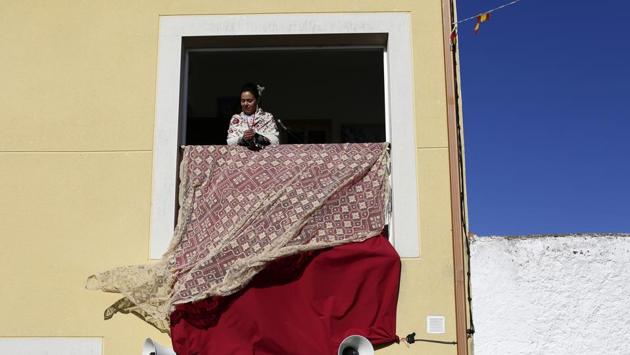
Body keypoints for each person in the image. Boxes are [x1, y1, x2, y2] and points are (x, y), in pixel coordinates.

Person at [226, 83, 279, 150]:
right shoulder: (236, 119)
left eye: (249, 101)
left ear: (257, 101)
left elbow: (276, 140)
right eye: (243, 101)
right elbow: (229, 141)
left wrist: (258, 137)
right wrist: (242, 139)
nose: (245, 104)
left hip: (263, 157)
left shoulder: (267, 117)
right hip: (241, 158)